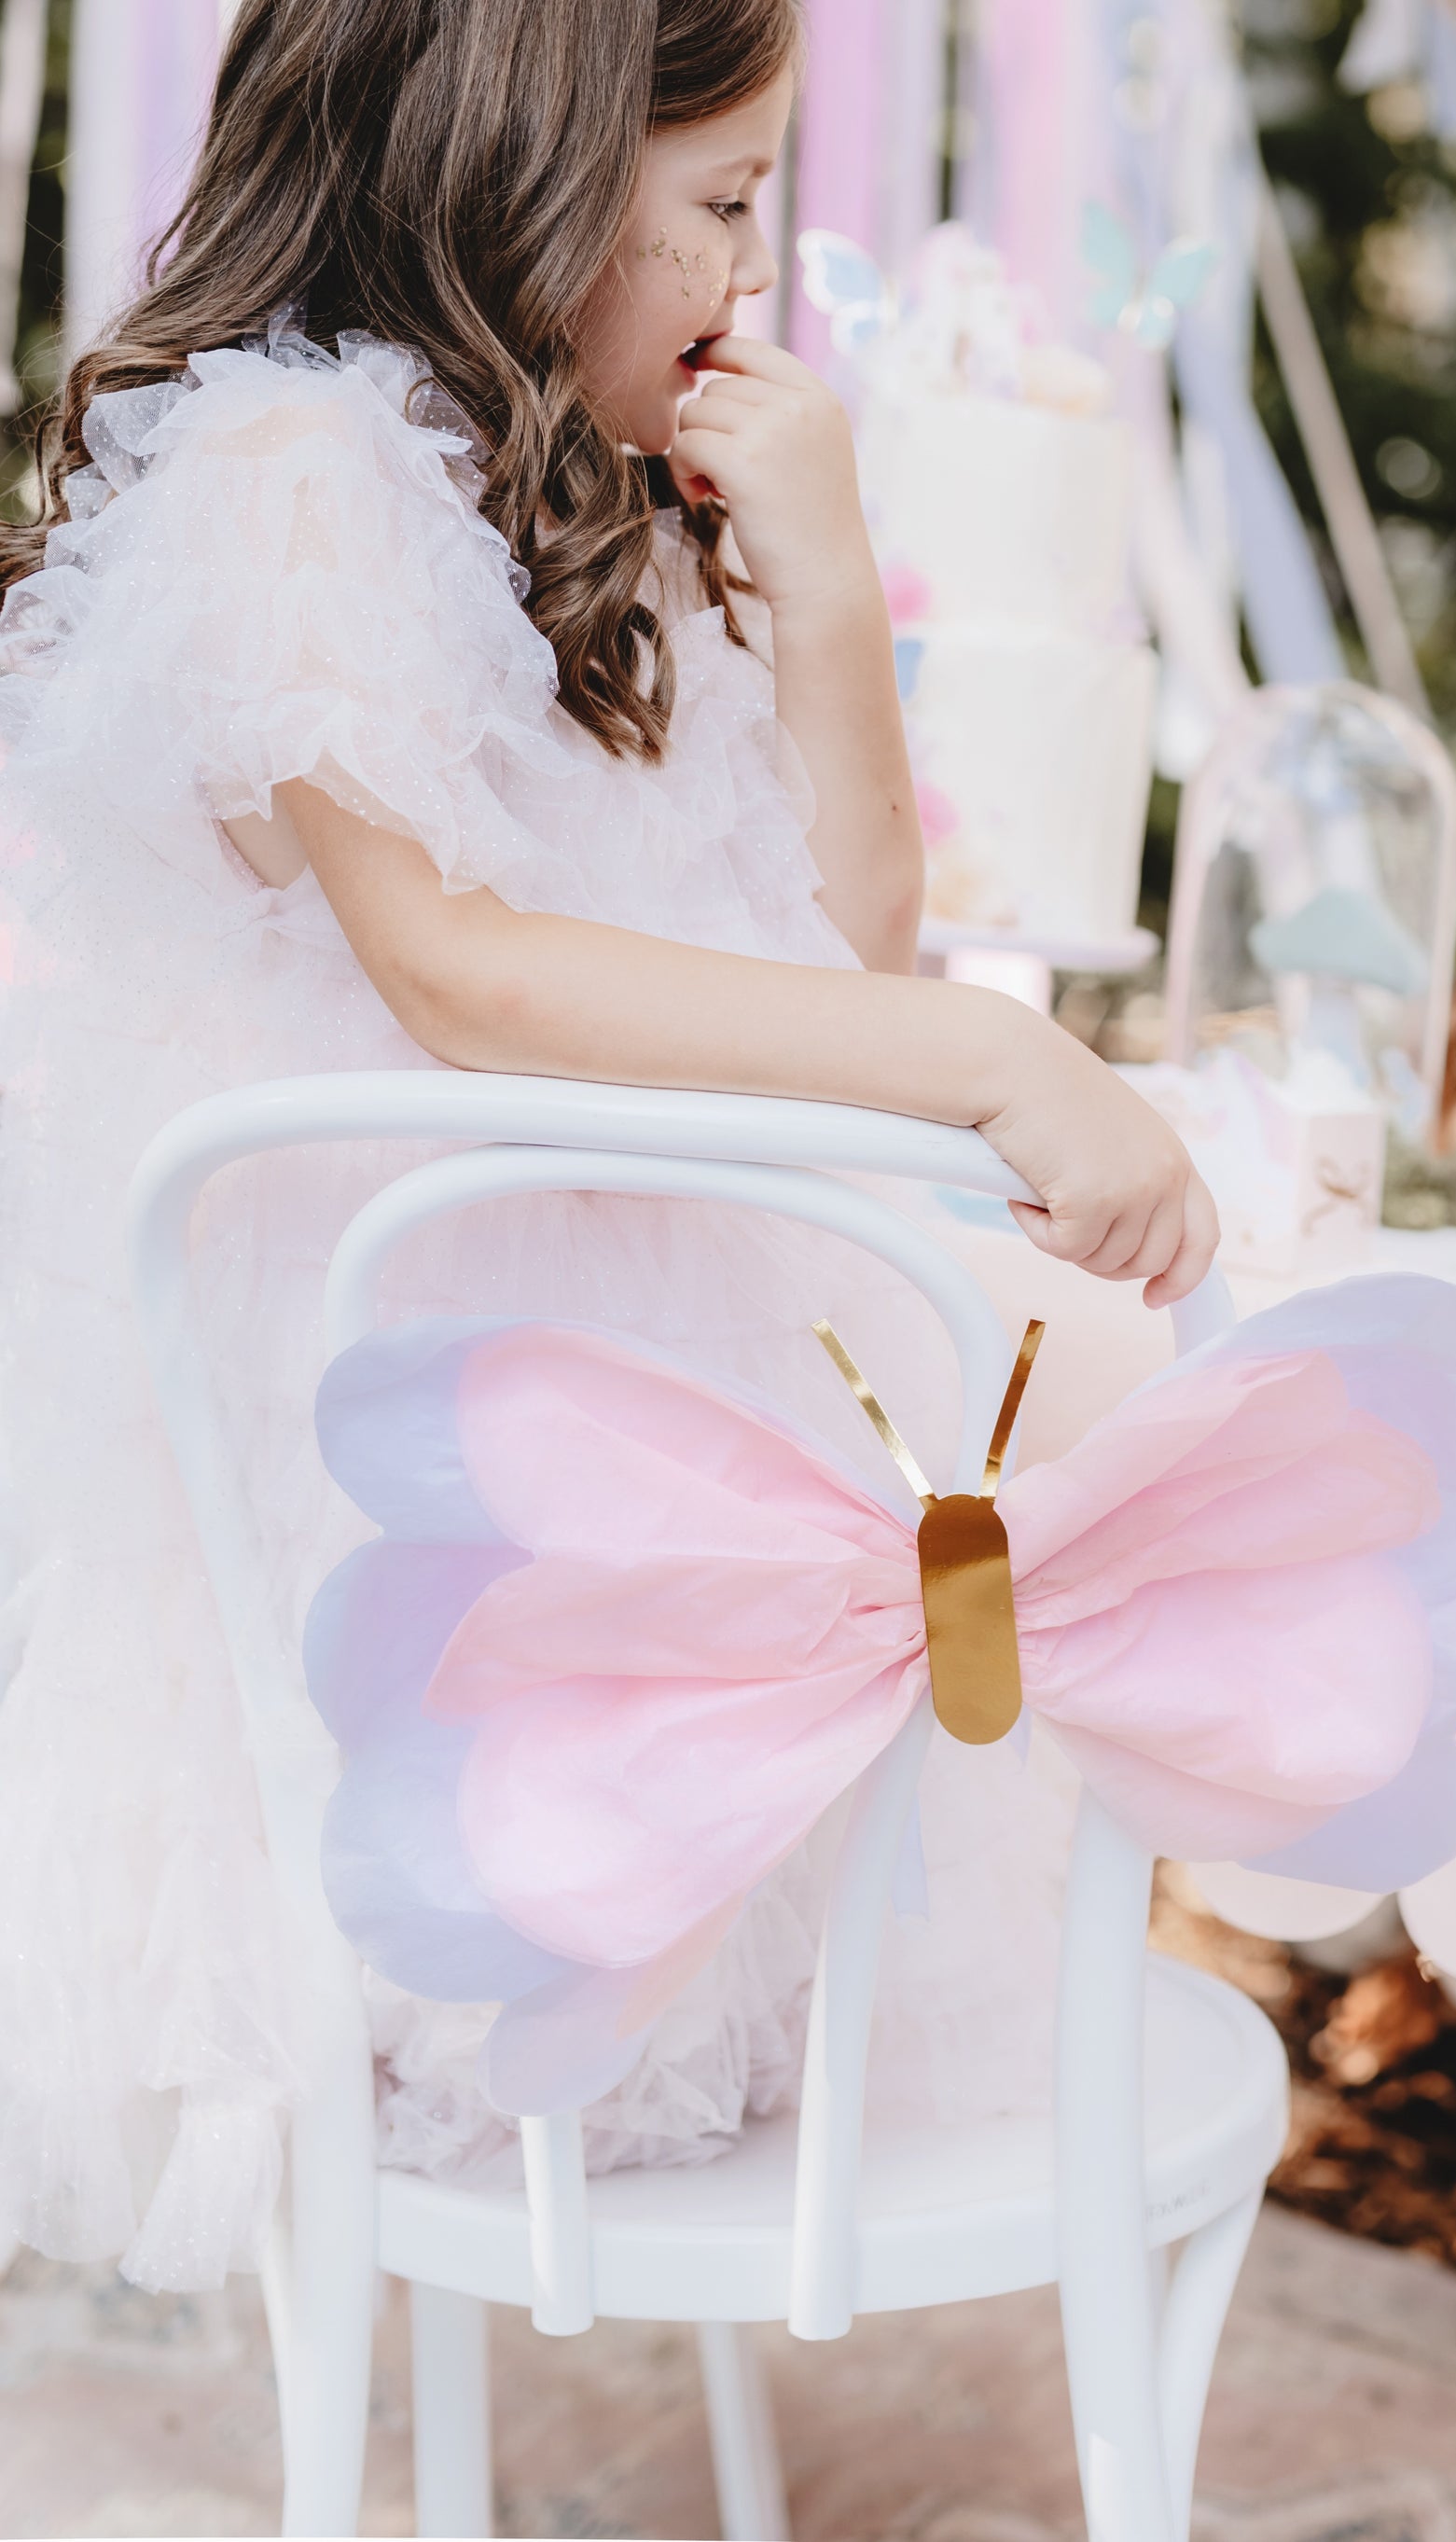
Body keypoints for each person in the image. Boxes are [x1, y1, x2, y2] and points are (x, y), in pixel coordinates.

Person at [0, 0, 1217, 2290]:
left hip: (637, 1451)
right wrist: (976, 1062)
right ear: (527, 170)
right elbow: (454, 971)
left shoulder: (594, 497)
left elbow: (845, 934)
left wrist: (828, 579)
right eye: (725, 210)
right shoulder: (300, 477)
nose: (756, 271)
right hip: (409, 1491)